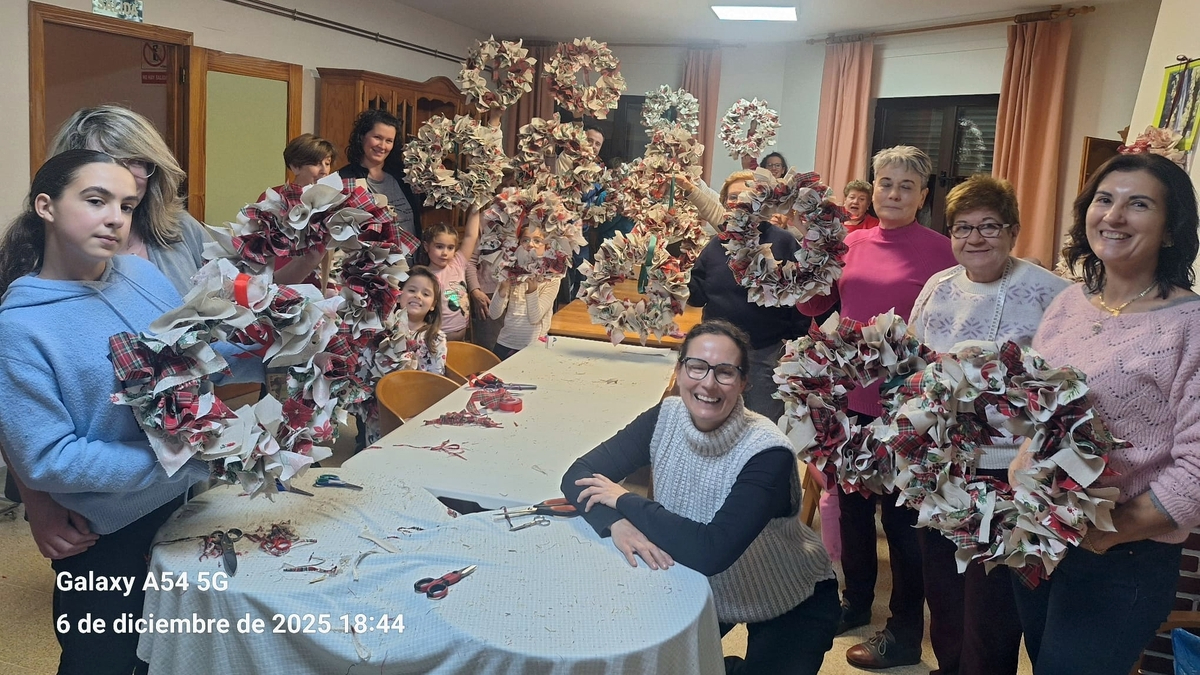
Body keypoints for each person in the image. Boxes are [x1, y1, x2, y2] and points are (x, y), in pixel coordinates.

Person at [0, 150, 259, 674]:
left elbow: (189, 354)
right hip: (104, 536)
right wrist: (190, 458)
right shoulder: (20, 328)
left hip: (181, 507)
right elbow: (48, 459)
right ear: (46, 206)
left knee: (172, 652)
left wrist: (266, 349)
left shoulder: (139, 274)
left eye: (126, 204)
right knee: (104, 658)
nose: (115, 217)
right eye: (95, 200)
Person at [1007, 152, 1200, 675]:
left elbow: (1197, 471)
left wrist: (1110, 530)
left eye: (1138, 204)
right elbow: (1042, 406)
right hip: (1043, 539)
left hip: (1123, 558)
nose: (1113, 216)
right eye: (1104, 200)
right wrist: (1021, 464)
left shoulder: (1189, 326)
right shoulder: (1070, 303)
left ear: (1170, 229)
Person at [561, 320, 839, 674]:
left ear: (743, 383)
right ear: (679, 371)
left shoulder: (767, 452)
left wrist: (624, 501)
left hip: (788, 595)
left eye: (725, 372)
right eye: (697, 367)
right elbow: (577, 475)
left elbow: (711, 550)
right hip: (701, 589)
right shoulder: (665, 417)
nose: (708, 383)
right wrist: (616, 524)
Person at [799, 145, 957, 669]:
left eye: (906, 186)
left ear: (923, 196)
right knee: (850, 509)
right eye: (885, 182)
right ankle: (855, 602)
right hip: (846, 400)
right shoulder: (850, 240)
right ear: (873, 186)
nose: (893, 193)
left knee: (904, 520)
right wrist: (805, 271)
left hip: (907, 406)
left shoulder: (942, 251)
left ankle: (905, 630)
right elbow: (818, 304)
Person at [908, 175, 1069, 675]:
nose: (974, 239)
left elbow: (1069, 381)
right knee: (943, 585)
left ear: (1013, 230)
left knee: (993, 596)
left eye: (989, 227)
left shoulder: (1051, 293)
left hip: (1010, 469)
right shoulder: (939, 286)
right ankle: (949, 666)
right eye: (962, 228)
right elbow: (912, 358)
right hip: (942, 462)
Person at [681, 170, 813, 421]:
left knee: (761, 427)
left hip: (765, 355)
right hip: (716, 357)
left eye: (746, 194)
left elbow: (802, 298)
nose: (738, 201)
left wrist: (792, 344)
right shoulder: (716, 245)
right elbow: (696, 296)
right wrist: (671, 275)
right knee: (713, 423)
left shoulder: (784, 241)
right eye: (731, 197)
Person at [48, 105, 207, 296]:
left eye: (137, 161)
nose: (125, 175)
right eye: (107, 159)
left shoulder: (182, 227)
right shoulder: (50, 255)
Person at [337, 109, 421, 243]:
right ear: (362, 136)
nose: (382, 146)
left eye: (389, 140)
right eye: (377, 137)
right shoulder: (344, 179)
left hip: (412, 262)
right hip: (373, 262)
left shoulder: (404, 175)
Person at [489, 225, 561, 359]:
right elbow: (493, 314)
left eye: (538, 241)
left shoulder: (552, 279)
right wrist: (503, 289)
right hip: (505, 344)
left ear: (547, 247)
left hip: (534, 347)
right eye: (525, 240)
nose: (530, 245)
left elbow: (535, 317)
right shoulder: (511, 272)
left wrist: (532, 291)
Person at [423, 208, 481, 341]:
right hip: (438, 339)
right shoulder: (425, 276)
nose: (445, 253)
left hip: (462, 335)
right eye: (439, 247)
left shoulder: (457, 264)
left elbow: (471, 236)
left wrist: (476, 206)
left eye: (450, 247)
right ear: (427, 247)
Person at [395, 266, 447, 375]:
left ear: (433, 304)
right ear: (398, 295)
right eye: (412, 290)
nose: (418, 296)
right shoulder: (385, 328)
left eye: (426, 294)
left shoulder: (435, 338)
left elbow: (436, 378)